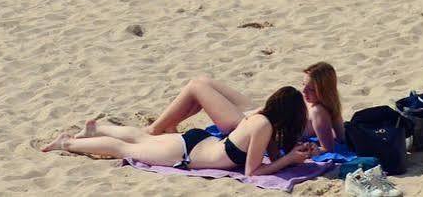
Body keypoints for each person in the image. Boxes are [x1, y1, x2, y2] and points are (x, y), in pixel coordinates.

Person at [44, 86, 318, 177]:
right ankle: (67, 143)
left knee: (141, 138)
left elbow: (270, 156)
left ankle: (98, 128)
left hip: (198, 143)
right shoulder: (263, 125)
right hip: (187, 151)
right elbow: (253, 171)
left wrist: (296, 154)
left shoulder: (262, 118)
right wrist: (289, 160)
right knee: (124, 148)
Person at [146, 64, 344, 150]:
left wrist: (311, 147)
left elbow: (328, 147)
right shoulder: (329, 106)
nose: (304, 91)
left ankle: (154, 129)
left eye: (310, 89)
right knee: (203, 80)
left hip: (244, 124)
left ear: (323, 90)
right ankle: (169, 126)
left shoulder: (318, 111)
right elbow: (341, 136)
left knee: (196, 87)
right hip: (257, 112)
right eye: (303, 85)